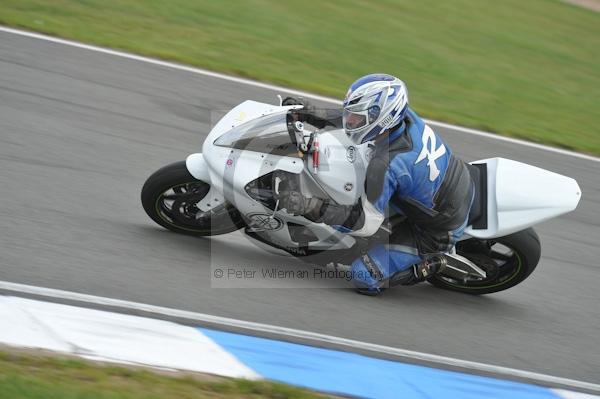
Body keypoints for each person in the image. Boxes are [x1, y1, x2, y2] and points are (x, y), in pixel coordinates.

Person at [278, 74, 474, 295]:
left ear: (382, 119)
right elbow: (353, 122)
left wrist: (310, 206)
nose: (349, 121)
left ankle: (433, 264)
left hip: (435, 229)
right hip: (448, 183)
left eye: (356, 118)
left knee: (363, 276)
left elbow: (362, 223)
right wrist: (312, 113)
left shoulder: (385, 164)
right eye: (349, 114)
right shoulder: (402, 116)